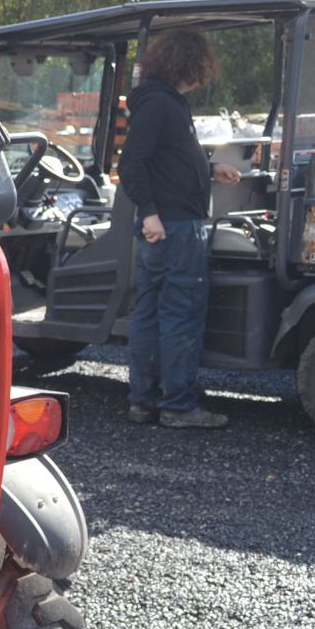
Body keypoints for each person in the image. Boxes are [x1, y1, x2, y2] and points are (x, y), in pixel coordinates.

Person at [118, 28, 243, 429]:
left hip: (165, 224)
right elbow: (131, 164)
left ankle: (144, 401)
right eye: (200, 70)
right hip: (175, 228)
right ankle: (178, 405)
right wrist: (150, 213)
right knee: (179, 316)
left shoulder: (160, 103)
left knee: (151, 315)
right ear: (187, 65)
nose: (202, 79)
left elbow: (165, 160)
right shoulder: (161, 105)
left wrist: (209, 169)